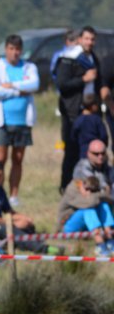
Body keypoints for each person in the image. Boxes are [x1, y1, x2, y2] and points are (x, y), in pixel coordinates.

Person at [0, 34, 39, 207]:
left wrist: (12, 85)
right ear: (6, 49)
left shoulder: (29, 67)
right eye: (11, 49)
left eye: (17, 49)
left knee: (18, 159)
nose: (14, 53)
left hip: (23, 121)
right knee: (0, 159)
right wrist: (20, 90)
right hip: (2, 121)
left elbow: (34, 85)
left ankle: (14, 195)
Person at [56, 26, 101, 191]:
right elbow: (62, 85)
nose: (89, 42)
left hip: (91, 111)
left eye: (92, 39)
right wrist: (83, 79)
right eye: (86, 39)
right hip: (73, 112)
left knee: (92, 149)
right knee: (72, 150)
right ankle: (66, 186)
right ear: (80, 39)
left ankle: (91, 185)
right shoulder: (69, 58)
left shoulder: (93, 58)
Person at [58, 175, 114, 255]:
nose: (89, 192)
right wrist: (99, 194)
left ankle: (110, 239)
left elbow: (110, 199)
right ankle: (100, 244)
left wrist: (100, 195)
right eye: (87, 189)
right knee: (88, 209)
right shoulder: (72, 190)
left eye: (93, 191)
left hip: (85, 227)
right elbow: (89, 203)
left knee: (103, 205)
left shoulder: (91, 193)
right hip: (67, 228)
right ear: (82, 185)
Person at [72, 93, 106, 162]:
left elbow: (73, 137)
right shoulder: (97, 119)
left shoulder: (78, 120)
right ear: (93, 106)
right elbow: (103, 136)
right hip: (97, 154)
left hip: (83, 154)